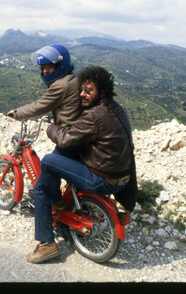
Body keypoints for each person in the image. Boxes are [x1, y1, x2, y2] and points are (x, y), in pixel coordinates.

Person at [25, 65, 137, 264]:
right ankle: (61, 203)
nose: (82, 94)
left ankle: (46, 244)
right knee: (62, 158)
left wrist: (52, 127)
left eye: (88, 91)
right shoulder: (117, 109)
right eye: (81, 90)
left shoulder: (94, 115)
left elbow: (65, 138)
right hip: (121, 178)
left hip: (101, 179)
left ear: (101, 92)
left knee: (49, 163)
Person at [6, 44, 81, 129]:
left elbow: (40, 106)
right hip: (76, 128)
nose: (45, 71)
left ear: (61, 65)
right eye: (43, 67)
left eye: (50, 66)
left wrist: (16, 113)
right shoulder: (72, 78)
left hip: (68, 132)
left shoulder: (62, 85)